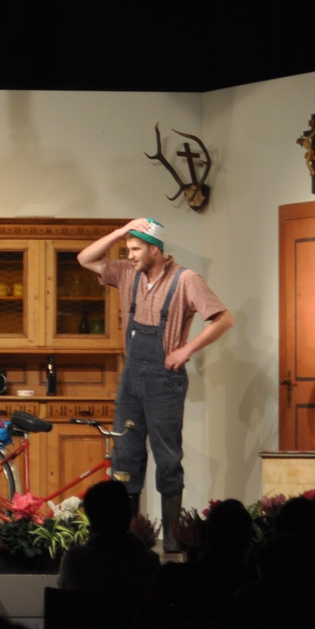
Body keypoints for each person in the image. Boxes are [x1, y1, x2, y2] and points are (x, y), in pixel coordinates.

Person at [78, 218, 233, 552]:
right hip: (131, 376)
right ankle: (126, 539)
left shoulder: (186, 280)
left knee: (167, 458)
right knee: (126, 456)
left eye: (136, 249)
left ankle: (173, 542)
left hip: (164, 380)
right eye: (128, 249)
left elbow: (224, 319)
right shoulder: (126, 274)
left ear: (155, 249)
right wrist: (121, 232)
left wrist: (187, 349)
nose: (130, 255)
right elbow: (84, 259)